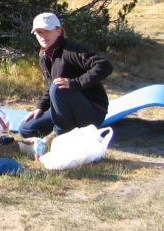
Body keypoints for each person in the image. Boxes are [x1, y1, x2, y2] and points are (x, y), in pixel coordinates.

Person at [19, 12, 112, 141]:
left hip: (92, 112)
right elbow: (50, 85)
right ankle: (68, 129)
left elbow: (104, 65)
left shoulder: (71, 51)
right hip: (69, 111)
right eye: (39, 32)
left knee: (58, 87)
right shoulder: (44, 55)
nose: (43, 36)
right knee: (26, 129)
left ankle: (60, 132)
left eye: (47, 31)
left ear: (58, 31)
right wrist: (40, 107)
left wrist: (76, 83)